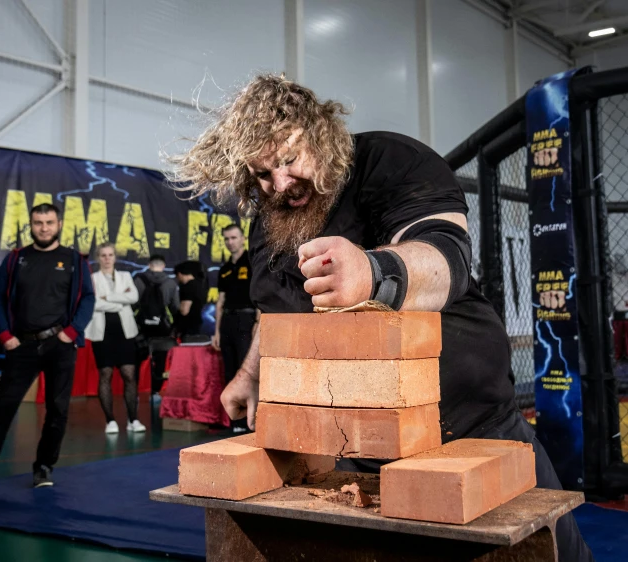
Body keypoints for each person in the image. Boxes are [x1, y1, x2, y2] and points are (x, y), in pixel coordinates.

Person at [170, 74, 594, 562]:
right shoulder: (272, 221)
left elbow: (445, 255)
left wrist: (375, 273)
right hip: (356, 449)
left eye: (289, 160)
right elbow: (275, 312)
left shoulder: (389, 162)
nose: (281, 184)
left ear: (321, 132)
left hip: (470, 428)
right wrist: (250, 376)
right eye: (263, 174)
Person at [0, 203, 94, 499]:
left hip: (60, 345)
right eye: (37, 222)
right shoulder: (16, 259)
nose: (43, 227)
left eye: (49, 222)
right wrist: (5, 335)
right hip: (22, 345)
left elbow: (87, 299)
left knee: (57, 411)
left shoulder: (73, 259)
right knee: (1, 410)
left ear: (59, 224)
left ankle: (44, 466)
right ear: (30, 225)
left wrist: (71, 332)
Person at [85, 242, 146, 434]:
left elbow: (133, 297)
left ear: (115, 257)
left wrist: (106, 298)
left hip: (125, 332)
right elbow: (93, 303)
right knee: (106, 374)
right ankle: (110, 421)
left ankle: (133, 420)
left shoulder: (126, 276)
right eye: (103, 255)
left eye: (110, 255)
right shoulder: (92, 278)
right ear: (98, 258)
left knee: (129, 373)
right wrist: (120, 300)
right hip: (101, 333)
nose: (107, 258)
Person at [212, 224, 258, 433]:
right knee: (230, 371)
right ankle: (237, 422)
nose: (230, 242)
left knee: (246, 370)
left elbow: (259, 296)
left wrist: (258, 324)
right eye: (227, 239)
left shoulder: (251, 262)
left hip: (246, 319)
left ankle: (252, 421)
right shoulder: (224, 269)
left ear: (242, 239)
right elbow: (220, 302)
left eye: (233, 237)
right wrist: (217, 331)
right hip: (228, 322)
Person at [134, 254, 180, 396]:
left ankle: (133, 390)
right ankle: (155, 391)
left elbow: (132, 303)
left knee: (135, 360)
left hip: (141, 328)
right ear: (164, 266)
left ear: (149, 264)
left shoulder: (138, 280)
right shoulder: (171, 283)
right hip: (161, 328)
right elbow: (175, 308)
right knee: (159, 361)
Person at [173, 260, 207, 342]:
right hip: (198, 323)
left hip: (187, 327)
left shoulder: (188, 286)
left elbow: (184, 310)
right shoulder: (201, 285)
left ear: (180, 274)